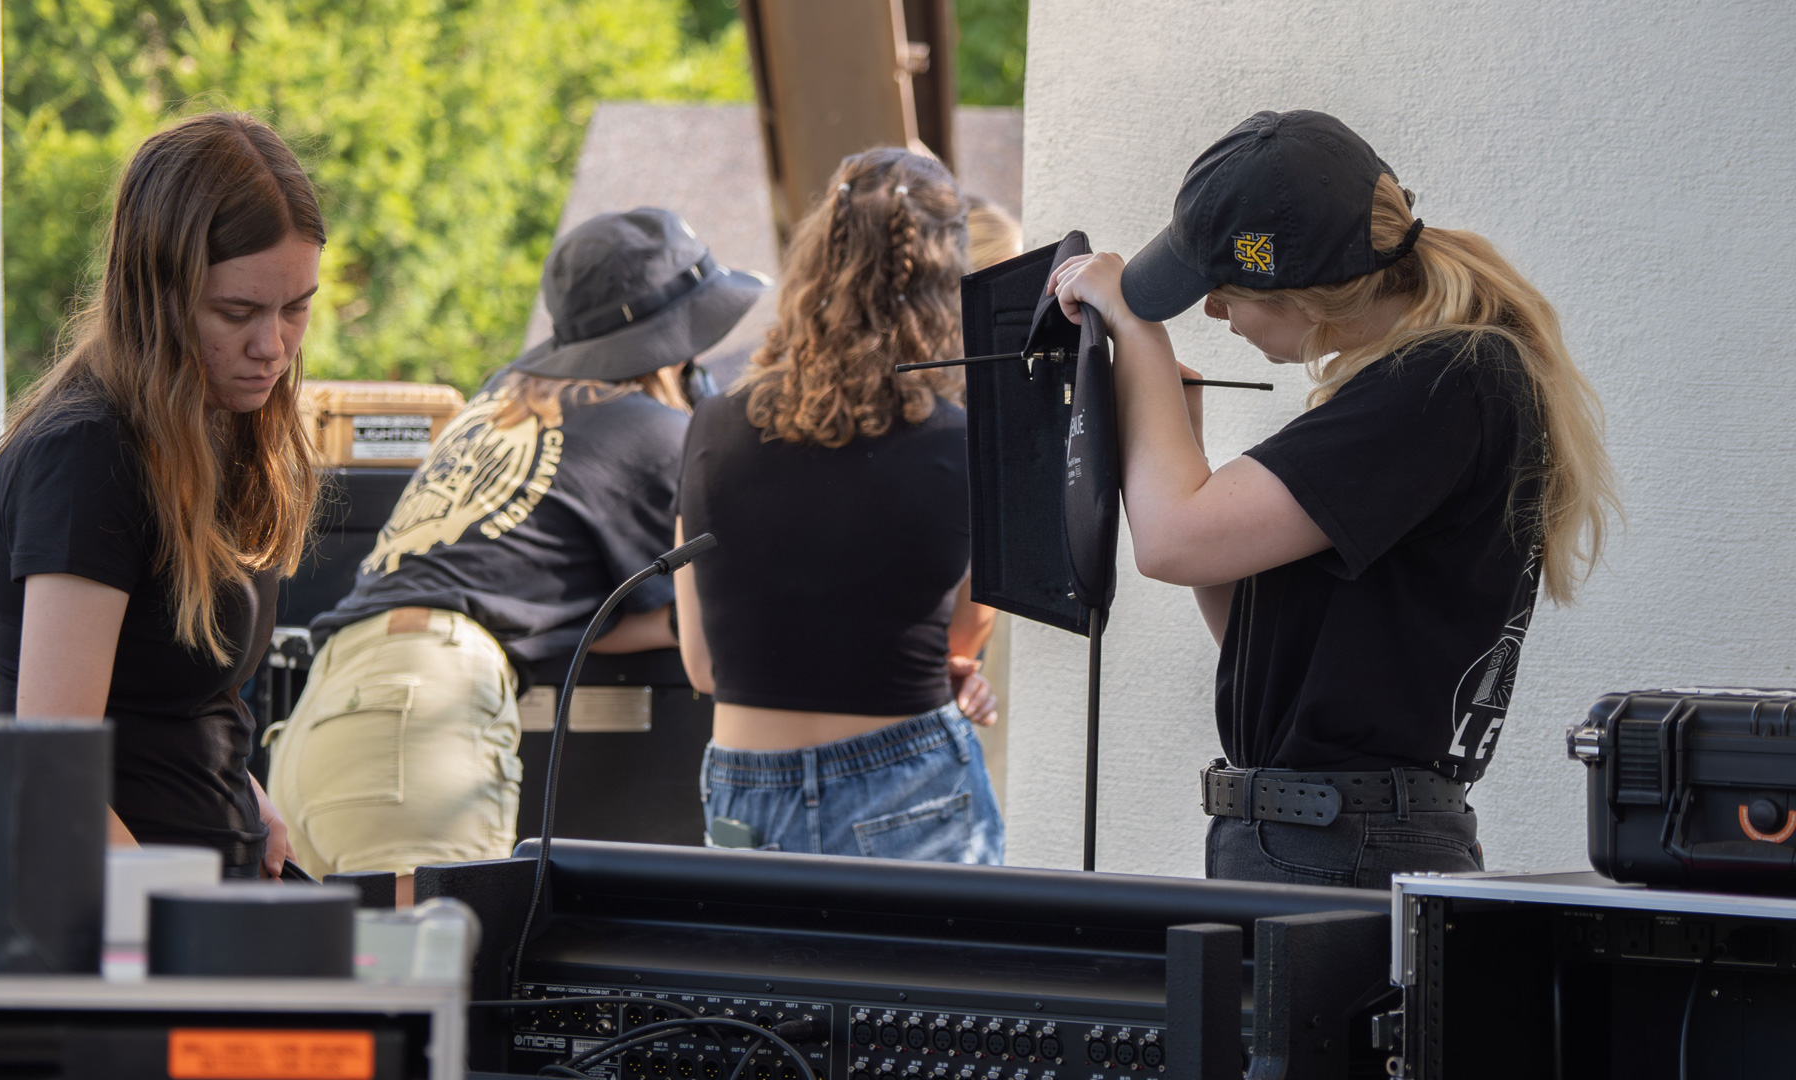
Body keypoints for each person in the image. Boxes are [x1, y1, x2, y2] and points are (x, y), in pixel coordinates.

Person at [1048, 110, 1617, 889]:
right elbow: (1255, 642)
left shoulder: (1445, 385)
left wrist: (1138, 335)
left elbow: (1171, 540)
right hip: (1321, 833)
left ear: (1302, 295)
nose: (1213, 314)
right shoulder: (1423, 383)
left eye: (1222, 292)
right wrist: (1182, 448)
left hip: (1337, 842)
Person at [267, 208, 766, 903]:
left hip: (330, 716)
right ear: (674, 349)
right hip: (420, 726)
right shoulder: (653, 431)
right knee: (446, 995)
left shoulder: (503, 403)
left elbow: (562, 612)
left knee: (348, 1004)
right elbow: (728, 619)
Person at [0, 112, 323, 879]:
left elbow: (167, 711)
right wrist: (175, 934)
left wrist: (246, 795)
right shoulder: (87, 455)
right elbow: (51, 769)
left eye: (295, 307)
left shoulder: (220, 424)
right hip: (130, 933)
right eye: (237, 313)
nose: (273, 346)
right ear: (155, 295)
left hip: (211, 892)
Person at [674, 147, 1005, 863]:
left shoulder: (713, 423)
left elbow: (704, 668)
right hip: (911, 778)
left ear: (816, 260)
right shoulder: (969, 444)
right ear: (950, 281)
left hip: (744, 796)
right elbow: (962, 639)